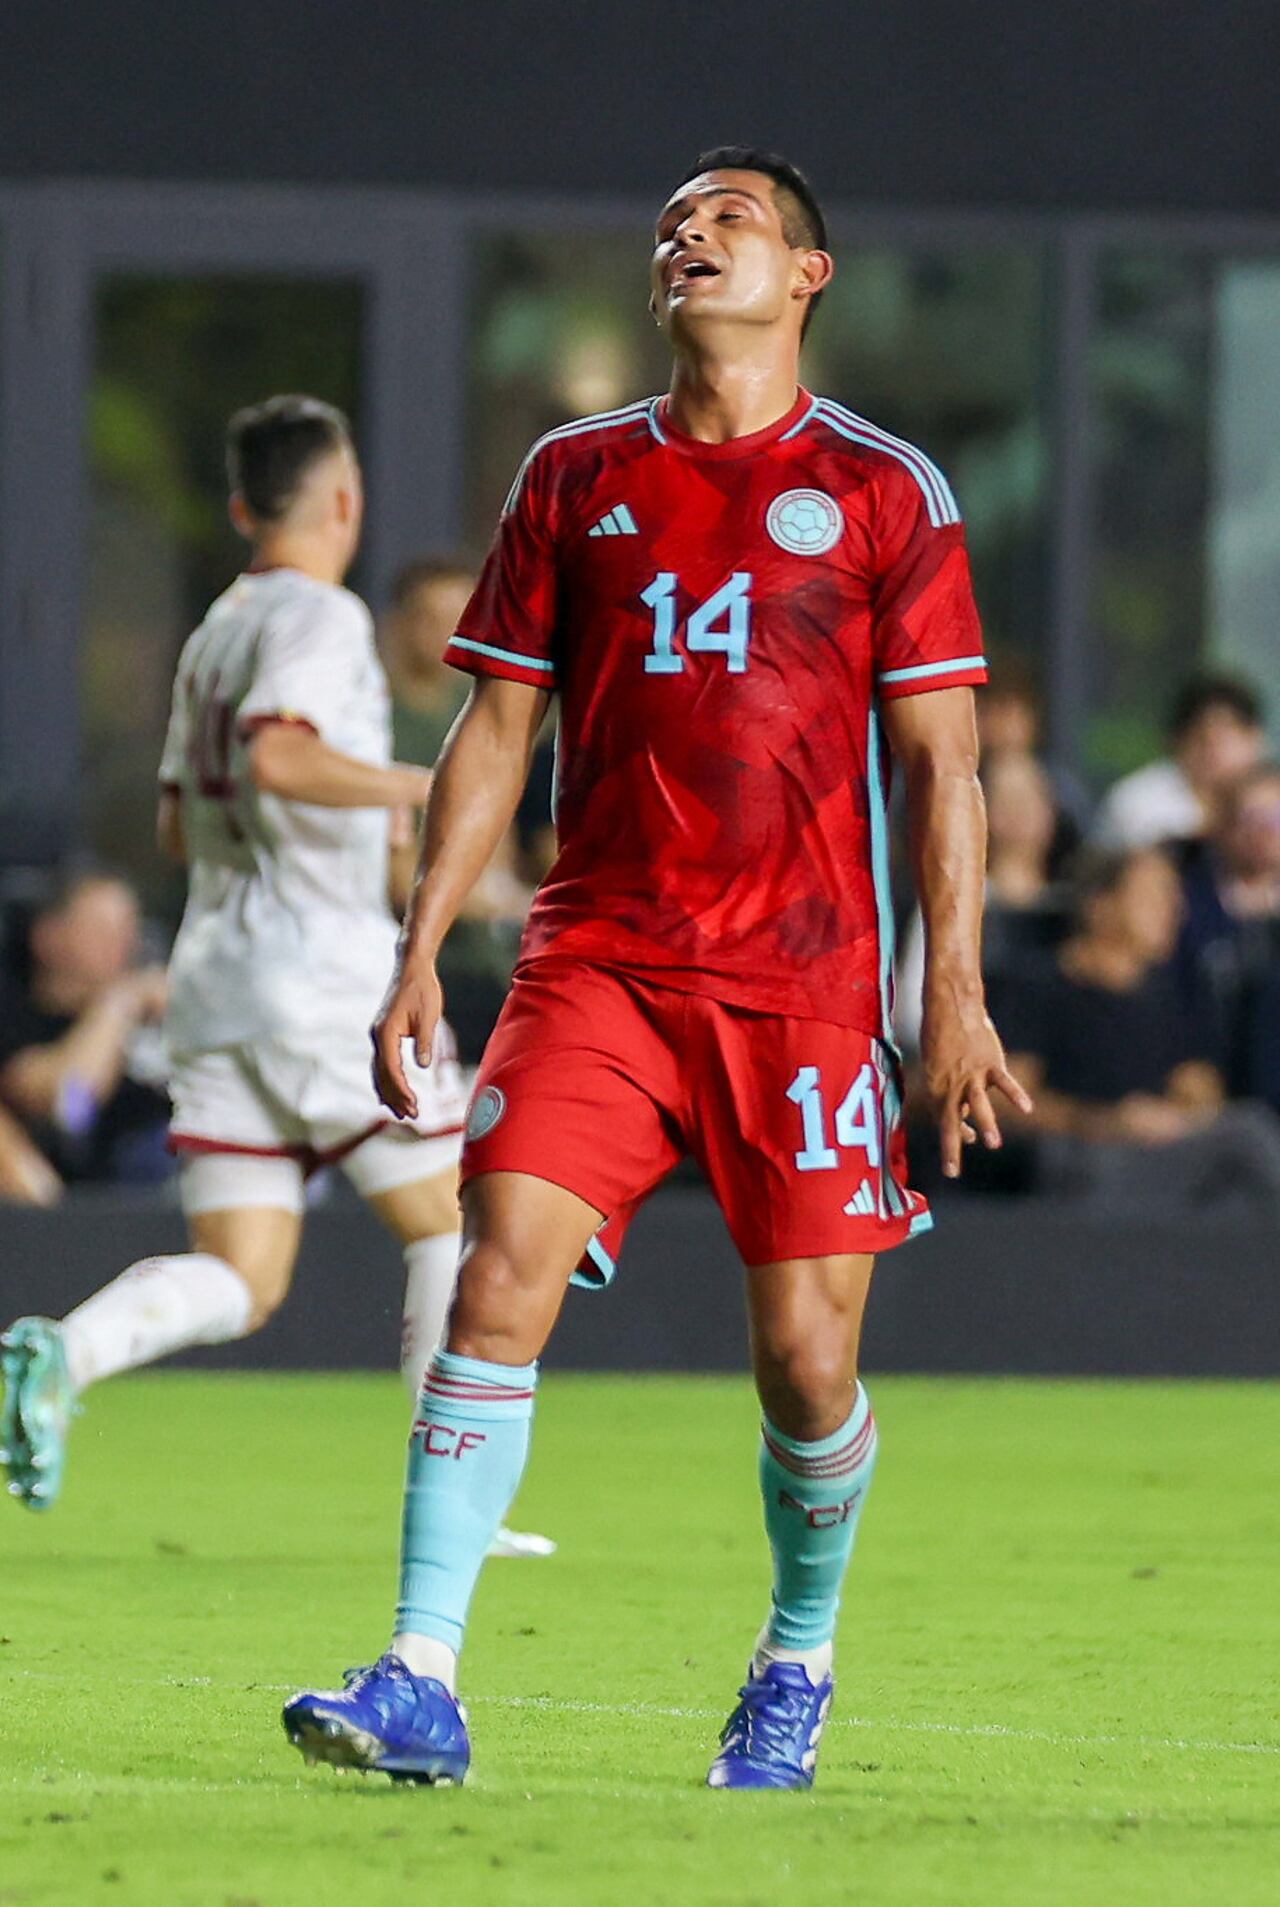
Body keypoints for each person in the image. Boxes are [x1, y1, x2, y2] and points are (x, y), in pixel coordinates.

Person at [284, 146, 1029, 1791]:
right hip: (598, 960)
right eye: (675, 223)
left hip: (805, 983)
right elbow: (498, 728)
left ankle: (797, 1654)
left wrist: (955, 992)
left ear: (807, 274)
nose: (691, 236)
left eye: (730, 219)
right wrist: (422, 950)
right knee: (497, 1271)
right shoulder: (573, 475)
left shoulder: (887, 490)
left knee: (808, 1363)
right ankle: (419, 1671)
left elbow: (944, 765)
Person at [0, 396, 550, 1560]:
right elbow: (279, 754)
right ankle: (453, 1495)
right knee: (459, 1215)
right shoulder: (319, 615)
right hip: (318, 973)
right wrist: (419, 786)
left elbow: (176, 821)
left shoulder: (217, 628)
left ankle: (63, 1351)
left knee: (242, 1272)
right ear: (343, 499)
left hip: (215, 977)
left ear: (244, 506)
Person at [998, 845, 1280, 1205]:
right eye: (1154, 896)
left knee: (1244, 1143)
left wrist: (1175, 1117)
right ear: (1101, 905)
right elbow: (1006, 1101)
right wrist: (1105, 1122)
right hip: (1077, 1155)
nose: (1174, 910)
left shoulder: (1178, 993)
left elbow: (1198, 1086)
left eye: (1174, 898)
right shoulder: (1038, 986)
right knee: (1247, 1137)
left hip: (1163, 1153)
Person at [382, 558, 535, 1061]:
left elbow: (499, 832)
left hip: (489, 959)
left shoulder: (478, 716)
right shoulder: (377, 722)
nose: (450, 631)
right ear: (399, 624)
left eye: (463, 615)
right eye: (432, 617)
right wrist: (495, 898)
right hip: (408, 958)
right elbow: (395, 874)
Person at [0, 870, 171, 1186]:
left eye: (128, 929)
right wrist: (118, 1005)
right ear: (48, 937)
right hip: (118, 1184)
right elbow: (72, 1106)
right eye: (101, 931)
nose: (123, 945)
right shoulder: (19, 1018)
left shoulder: (157, 1001)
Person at [1176, 762, 1280, 1093]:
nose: (1266, 832)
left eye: (1275, 818)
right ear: (1222, 824)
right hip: (1208, 1072)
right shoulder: (1182, 903)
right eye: (1251, 818)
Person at [1092, 674, 1265, 852]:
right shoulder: (1139, 803)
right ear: (1177, 741)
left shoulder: (1269, 802)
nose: (1215, 752)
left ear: (1256, 740)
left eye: (1226, 739)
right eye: (1203, 739)